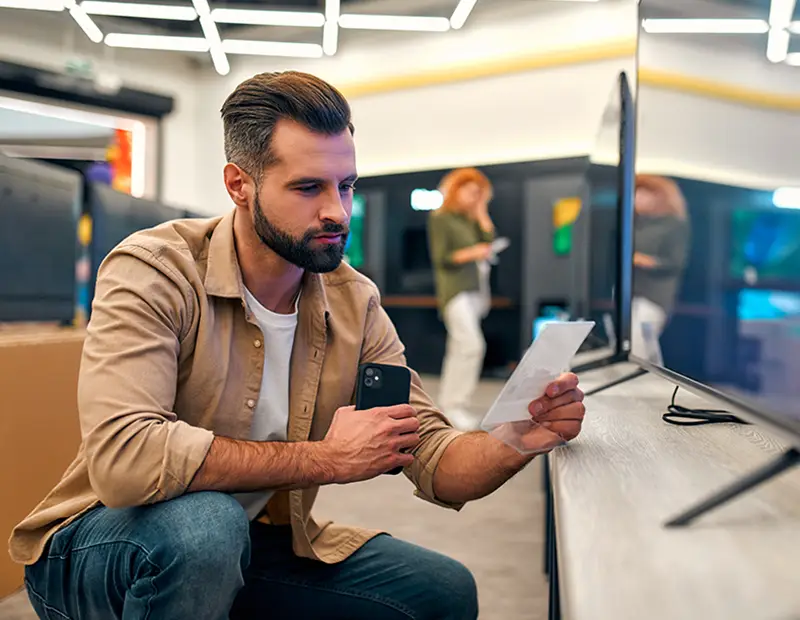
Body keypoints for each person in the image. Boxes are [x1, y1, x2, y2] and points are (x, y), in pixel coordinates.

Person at [9, 72, 585, 620]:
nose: (337, 210)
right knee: (206, 528)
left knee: (440, 591)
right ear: (239, 184)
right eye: (309, 187)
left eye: (346, 185)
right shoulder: (154, 270)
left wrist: (513, 440)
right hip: (99, 546)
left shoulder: (353, 301)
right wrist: (326, 460)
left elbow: (434, 458)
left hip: (243, 545)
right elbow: (125, 461)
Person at [427, 168, 496, 430]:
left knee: (460, 348)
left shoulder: (469, 219)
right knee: (471, 346)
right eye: (472, 191)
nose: (475, 196)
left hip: (475, 290)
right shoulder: (441, 218)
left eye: (480, 193)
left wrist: (480, 210)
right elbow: (442, 258)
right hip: (455, 291)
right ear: (458, 189)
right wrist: (473, 252)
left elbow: (488, 237)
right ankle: (454, 405)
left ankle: (450, 405)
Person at [631, 174, 690, 360]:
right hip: (631, 295)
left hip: (655, 296)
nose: (637, 199)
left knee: (640, 345)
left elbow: (676, 262)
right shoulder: (633, 225)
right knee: (640, 347)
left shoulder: (674, 226)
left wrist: (645, 261)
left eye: (642, 194)